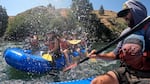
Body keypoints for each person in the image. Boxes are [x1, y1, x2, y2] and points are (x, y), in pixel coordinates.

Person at [88, 0, 150, 84]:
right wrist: (98, 56)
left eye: (125, 13)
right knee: (97, 82)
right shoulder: (125, 33)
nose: (124, 17)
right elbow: (114, 55)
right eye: (122, 15)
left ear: (136, 11)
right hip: (126, 72)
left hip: (147, 75)